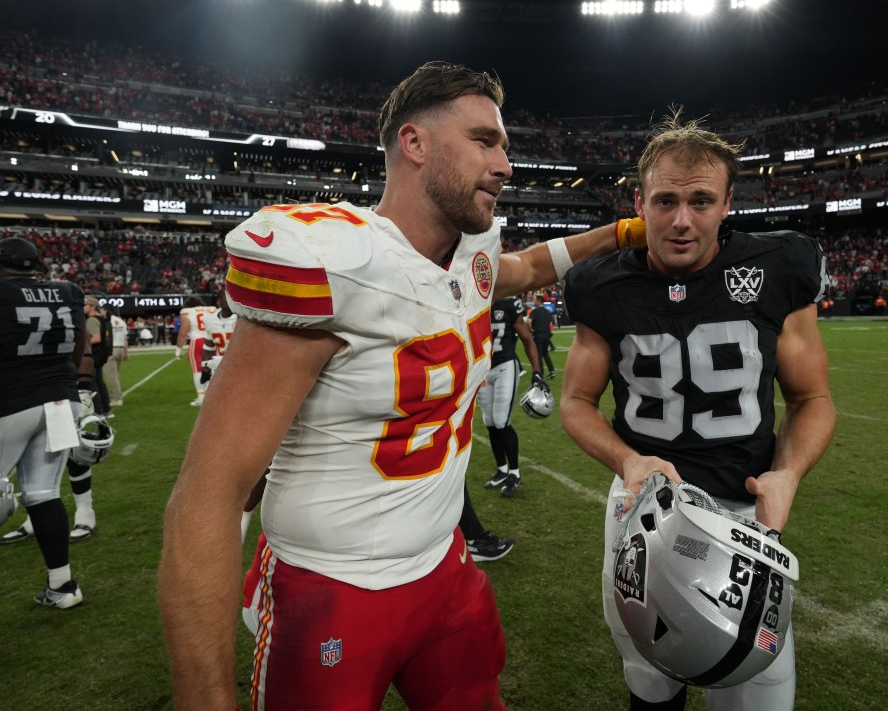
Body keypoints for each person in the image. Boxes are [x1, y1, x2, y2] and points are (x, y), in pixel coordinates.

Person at [158, 61, 646, 711]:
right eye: (484, 141)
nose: (505, 165)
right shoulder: (337, 263)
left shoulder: (469, 256)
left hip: (443, 568)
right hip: (330, 586)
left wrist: (614, 235)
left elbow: (526, 268)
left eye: (503, 145)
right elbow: (206, 496)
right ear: (414, 144)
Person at [559, 113, 837, 711]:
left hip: (744, 519)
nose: (682, 220)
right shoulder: (601, 284)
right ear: (640, 202)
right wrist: (628, 459)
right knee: (652, 681)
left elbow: (812, 399)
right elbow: (576, 402)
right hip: (643, 511)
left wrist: (787, 473)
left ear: (727, 202)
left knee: (757, 689)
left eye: (701, 200)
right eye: (665, 201)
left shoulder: (778, 267)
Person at [0, 236, 87, 608]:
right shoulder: (68, 290)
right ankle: (63, 586)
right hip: (61, 399)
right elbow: (79, 343)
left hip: (11, 400)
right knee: (42, 493)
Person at [479, 294, 545, 499]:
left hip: (505, 366)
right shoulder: (472, 299)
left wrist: (536, 371)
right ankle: (502, 469)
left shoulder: (508, 303)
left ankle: (514, 473)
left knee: (501, 420)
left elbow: (526, 338)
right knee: (489, 421)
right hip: (482, 370)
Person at [173, 295, 217, 406]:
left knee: (197, 370)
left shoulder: (187, 312)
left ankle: (201, 397)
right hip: (212, 341)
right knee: (213, 368)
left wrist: (178, 349)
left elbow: (183, 333)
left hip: (197, 342)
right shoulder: (211, 309)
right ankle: (213, 395)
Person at [84, 295, 112, 417]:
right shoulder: (102, 319)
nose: (83, 308)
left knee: (93, 383)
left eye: (85, 305)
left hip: (94, 354)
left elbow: (96, 338)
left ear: (92, 307)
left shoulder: (91, 320)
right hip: (102, 354)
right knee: (100, 382)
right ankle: (106, 409)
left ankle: (98, 411)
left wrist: (82, 344)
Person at [102, 304, 129, 406]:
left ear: (105, 310)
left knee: (111, 376)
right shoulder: (121, 321)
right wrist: (126, 352)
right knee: (115, 374)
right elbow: (125, 338)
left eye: (102, 310)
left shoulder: (106, 321)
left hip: (111, 349)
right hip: (120, 349)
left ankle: (117, 398)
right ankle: (113, 395)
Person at [528, 294, 556, 379]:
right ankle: (552, 371)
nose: (534, 301)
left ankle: (541, 374)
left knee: (539, 355)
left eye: (535, 300)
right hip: (547, 334)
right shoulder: (547, 311)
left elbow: (528, 321)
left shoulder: (535, 311)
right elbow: (551, 323)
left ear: (538, 301)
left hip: (538, 334)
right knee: (545, 354)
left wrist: (531, 330)